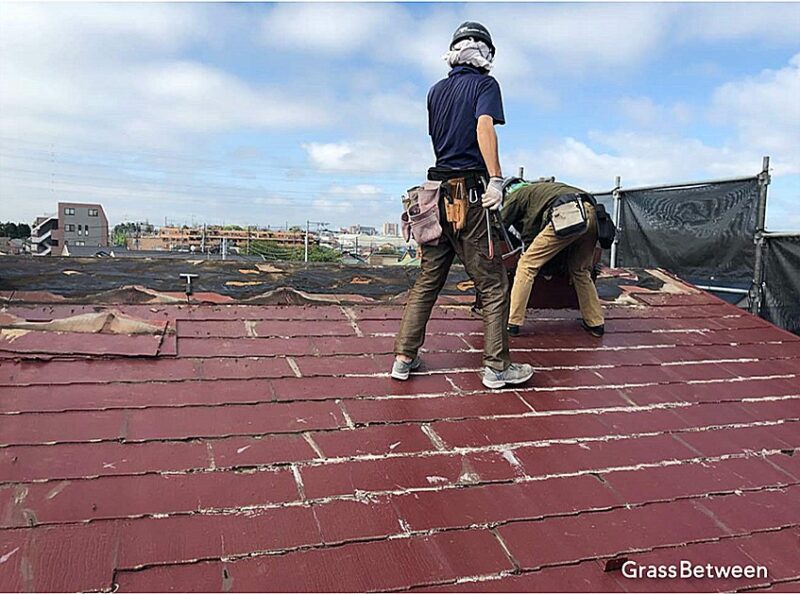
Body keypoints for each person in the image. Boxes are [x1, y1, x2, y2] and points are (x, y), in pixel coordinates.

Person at [391, 21, 534, 390]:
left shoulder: (435, 91)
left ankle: (404, 358)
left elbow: (440, 139)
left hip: (434, 195)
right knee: (493, 283)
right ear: (484, 52)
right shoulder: (486, 85)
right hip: (469, 194)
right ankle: (497, 367)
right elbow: (483, 127)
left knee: (428, 281)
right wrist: (496, 178)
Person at [501, 179, 605, 337]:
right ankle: (595, 323)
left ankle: (512, 322)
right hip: (594, 215)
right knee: (580, 270)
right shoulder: (543, 190)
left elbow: (504, 224)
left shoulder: (516, 195)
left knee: (527, 265)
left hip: (569, 214)